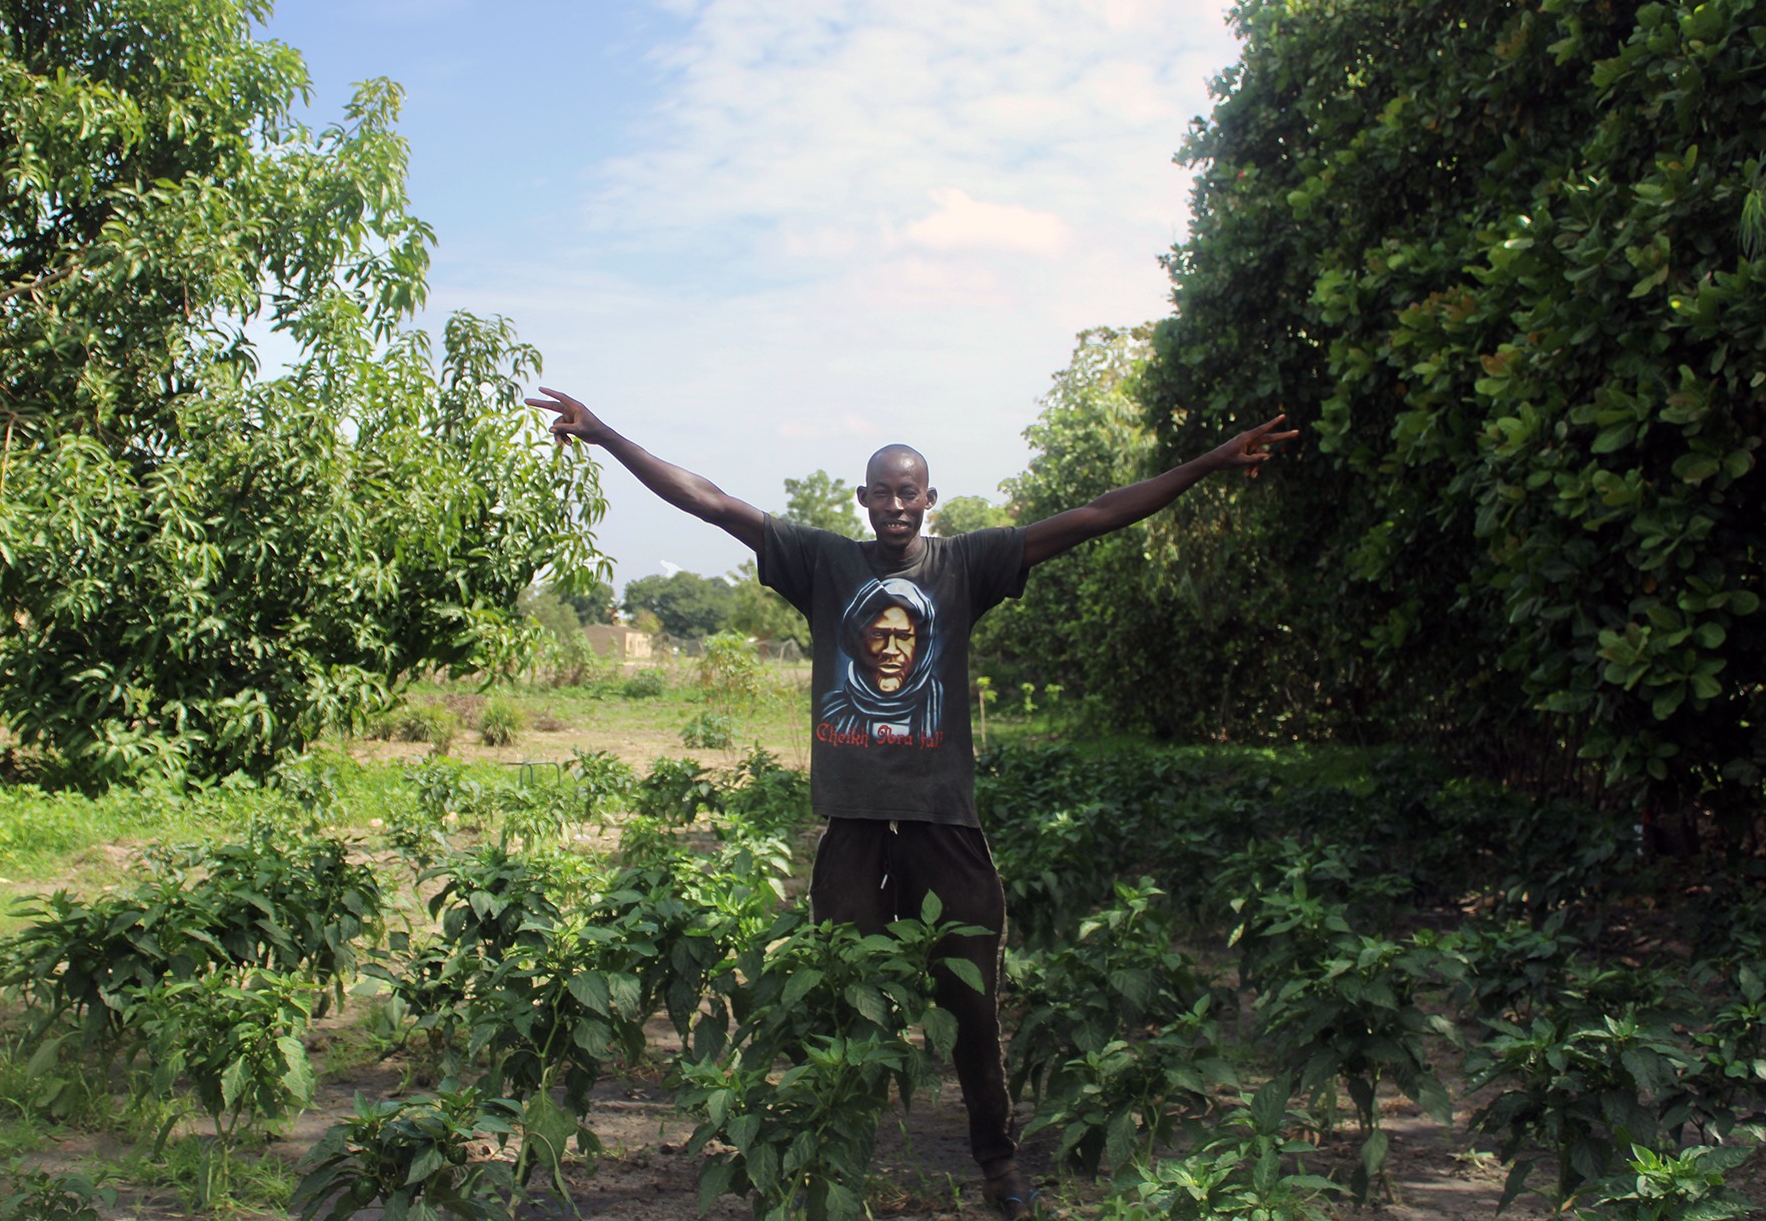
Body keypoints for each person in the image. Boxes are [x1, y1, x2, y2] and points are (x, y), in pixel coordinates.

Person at [527, 388, 1295, 1216]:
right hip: (855, 826)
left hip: (944, 823)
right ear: (862, 501)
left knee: (971, 1000)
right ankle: (834, 1162)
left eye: (910, 492)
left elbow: (1098, 514)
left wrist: (1211, 462)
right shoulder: (824, 562)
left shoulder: (966, 565)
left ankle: (997, 1164)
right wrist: (605, 435)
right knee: (842, 995)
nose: (896, 505)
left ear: (930, 500)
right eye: (882, 492)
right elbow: (711, 502)